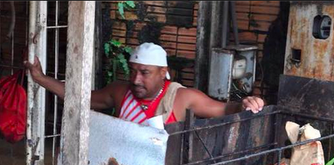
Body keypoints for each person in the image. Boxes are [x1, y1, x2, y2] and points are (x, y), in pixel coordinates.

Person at [24, 42, 265, 126]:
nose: (135, 79)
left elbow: (225, 109)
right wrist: (40, 78)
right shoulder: (120, 92)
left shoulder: (182, 98)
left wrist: (245, 104)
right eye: (133, 71)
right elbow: (79, 97)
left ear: (163, 73)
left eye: (144, 73)